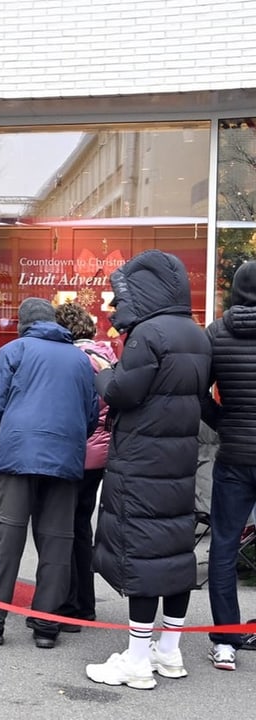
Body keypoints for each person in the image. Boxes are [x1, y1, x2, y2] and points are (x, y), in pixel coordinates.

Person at [85, 250, 211, 689]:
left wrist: (103, 370)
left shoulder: (147, 334)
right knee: (175, 554)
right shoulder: (195, 333)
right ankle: (169, 652)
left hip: (140, 463)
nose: (116, 307)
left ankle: (137, 661)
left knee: (140, 555)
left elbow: (122, 392)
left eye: (121, 297)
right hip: (178, 464)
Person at [0, 297, 98, 649]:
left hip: (20, 453)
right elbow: (92, 413)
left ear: (23, 323)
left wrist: (7, 431)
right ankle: (47, 625)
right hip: (65, 458)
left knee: (9, 539)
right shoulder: (81, 359)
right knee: (57, 542)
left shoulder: (15, 349)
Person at [202, 260, 256, 672]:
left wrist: (224, 420)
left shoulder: (216, 333)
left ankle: (226, 639)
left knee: (223, 544)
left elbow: (197, 390)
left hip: (234, 456)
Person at [53, 301, 117, 628]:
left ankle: (73, 603)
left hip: (79, 450)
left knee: (68, 526)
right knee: (82, 525)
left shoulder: (77, 360)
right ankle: (85, 601)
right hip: (101, 453)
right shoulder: (106, 356)